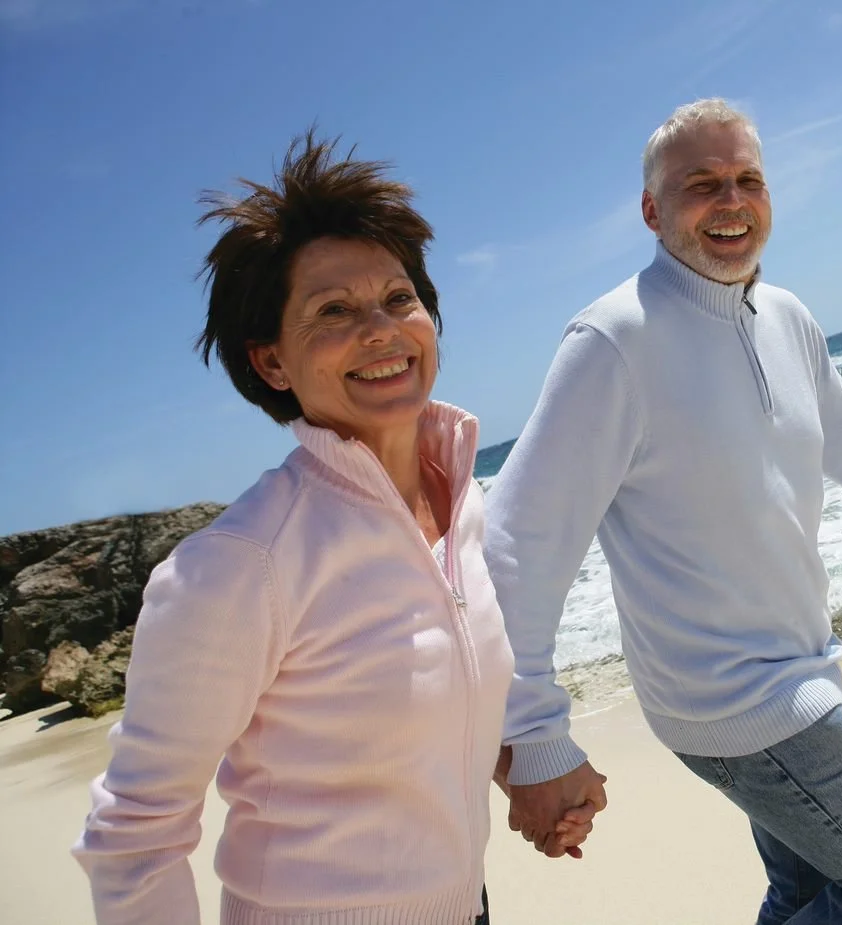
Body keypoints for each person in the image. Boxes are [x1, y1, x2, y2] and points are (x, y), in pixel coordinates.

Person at [485, 99, 842, 923]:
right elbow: (522, 548)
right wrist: (534, 740)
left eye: (748, 179)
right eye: (702, 184)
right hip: (733, 704)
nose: (732, 200)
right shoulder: (612, 341)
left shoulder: (786, 315)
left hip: (798, 670)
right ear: (652, 209)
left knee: (811, 889)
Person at [72, 133, 593, 925]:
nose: (381, 329)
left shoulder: (462, 506)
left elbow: (414, 701)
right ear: (272, 361)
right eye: (333, 312)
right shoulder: (244, 561)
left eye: (398, 298)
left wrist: (525, 765)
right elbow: (131, 833)